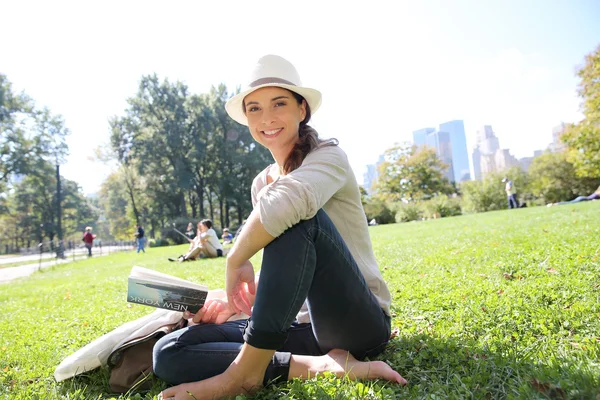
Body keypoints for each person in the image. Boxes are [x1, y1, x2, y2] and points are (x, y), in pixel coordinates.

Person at [155, 55, 405, 400]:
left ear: (302, 110)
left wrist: (234, 259)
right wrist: (235, 305)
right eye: (254, 109)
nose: (267, 118)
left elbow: (289, 204)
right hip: (296, 327)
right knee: (169, 351)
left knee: (298, 218)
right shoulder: (262, 183)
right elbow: (287, 271)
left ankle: (244, 374)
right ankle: (317, 366)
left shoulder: (329, 157)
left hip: (356, 321)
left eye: (279, 104)